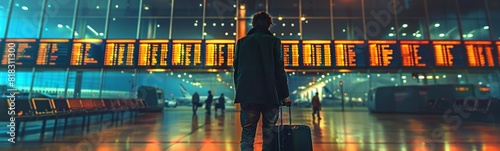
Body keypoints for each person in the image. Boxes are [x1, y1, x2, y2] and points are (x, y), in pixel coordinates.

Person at [233, 11, 292, 151]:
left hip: (248, 96)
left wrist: (240, 90)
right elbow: (279, 69)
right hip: (270, 95)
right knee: (269, 134)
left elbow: (237, 68)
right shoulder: (274, 42)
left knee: (247, 135)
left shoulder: (242, 43)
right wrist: (284, 95)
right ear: (269, 25)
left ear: (253, 24)